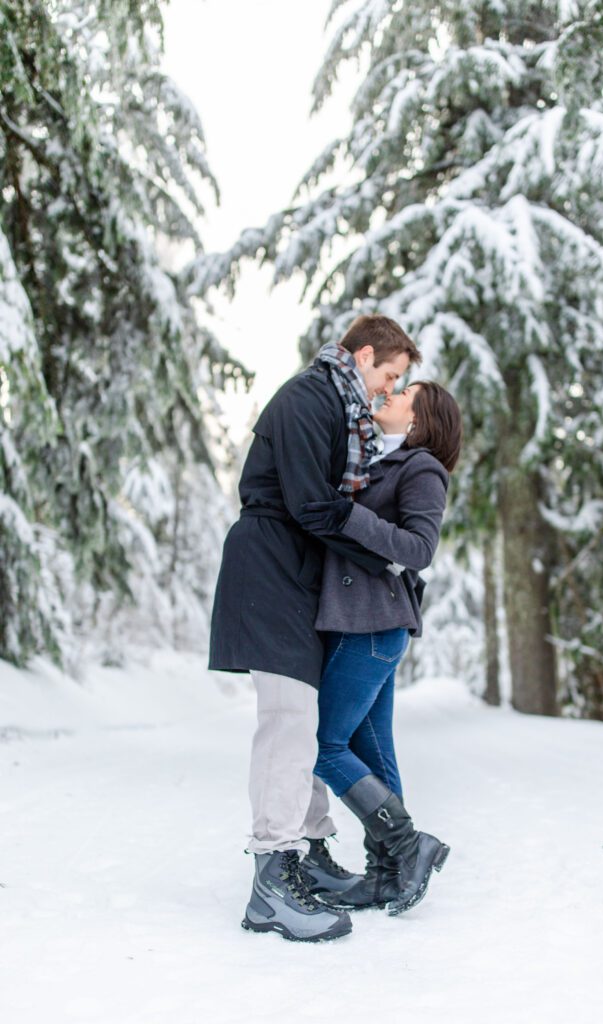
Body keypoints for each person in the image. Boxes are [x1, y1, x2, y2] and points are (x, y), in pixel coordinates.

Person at [208, 314, 422, 943]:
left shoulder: (343, 409)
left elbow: (335, 506)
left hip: (297, 570)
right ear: (362, 355)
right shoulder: (307, 398)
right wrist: (385, 558)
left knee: (306, 716)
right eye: (389, 374)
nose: (389, 389)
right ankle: (272, 880)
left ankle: (311, 855)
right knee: (289, 718)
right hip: (268, 562)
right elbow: (311, 505)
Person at [298, 381, 462, 917]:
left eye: (403, 393)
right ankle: (388, 873)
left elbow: (420, 549)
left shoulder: (422, 469)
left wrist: (350, 515)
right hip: (359, 623)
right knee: (372, 750)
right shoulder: (378, 461)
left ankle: (410, 845)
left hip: (373, 626)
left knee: (325, 744)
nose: (388, 394)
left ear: (419, 419)